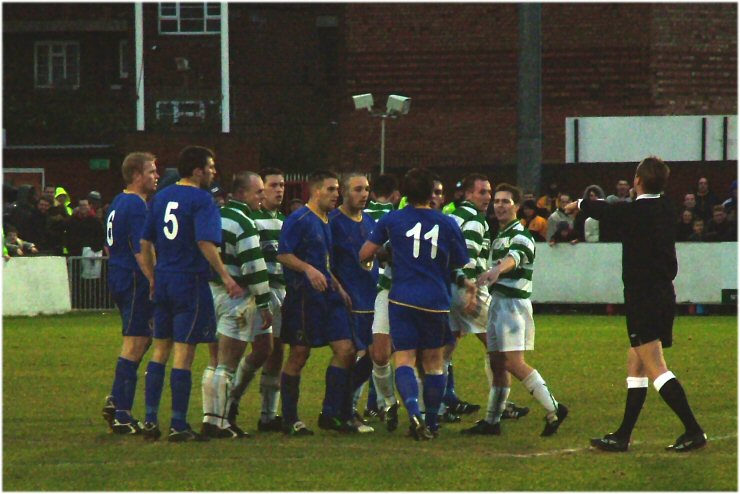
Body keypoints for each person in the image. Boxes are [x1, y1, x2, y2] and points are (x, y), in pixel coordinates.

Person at [564, 156, 706, 452]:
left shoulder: (637, 211)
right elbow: (617, 209)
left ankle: (693, 430)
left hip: (644, 298)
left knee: (655, 367)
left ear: (638, 181)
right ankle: (622, 436)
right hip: (662, 295)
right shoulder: (666, 207)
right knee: (636, 364)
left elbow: (607, 210)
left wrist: (578, 204)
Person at [140, 145, 244, 442]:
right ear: (197, 171)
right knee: (184, 354)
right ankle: (177, 424)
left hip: (164, 280)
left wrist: (152, 276)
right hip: (190, 281)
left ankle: (149, 418)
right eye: (210, 167)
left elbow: (145, 242)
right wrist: (226, 277)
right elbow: (205, 243)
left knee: (160, 350)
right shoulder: (202, 199)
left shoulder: (161, 197)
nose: (213, 172)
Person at [360, 168, 473, 440]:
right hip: (435, 300)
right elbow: (461, 262)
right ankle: (432, 421)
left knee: (405, 359)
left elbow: (365, 253)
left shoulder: (392, 219)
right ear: (431, 194)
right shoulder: (447, 223)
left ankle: (412, 409)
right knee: (434, 363)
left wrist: (385, 254)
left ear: (405, 193)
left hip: (401, 298)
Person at [463, 183, 567, 437]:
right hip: (499, 303)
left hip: (512, 307)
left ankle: (554, 408)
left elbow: (516, 257)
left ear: (517, 206)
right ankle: (492, 421)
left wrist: (498, 269)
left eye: (505, 202)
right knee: (498, 362)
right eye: (496, 201)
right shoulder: (499, 235)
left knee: (512, 362)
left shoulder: (521, 234)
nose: (499, 205)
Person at [277, 170, 358, 436]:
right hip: (303, 297)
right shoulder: (298, 219)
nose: (337, 194)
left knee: (346, 350)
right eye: (331, 189)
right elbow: (284, 255)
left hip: (328, 295)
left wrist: (337, 284)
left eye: (337, 190)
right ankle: (290, 418)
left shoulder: (325, 220)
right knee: (299, 355)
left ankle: (330, 413)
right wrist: (308, 270)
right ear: (315, 191)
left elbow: (323, 262)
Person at [446, 173, 530, 423]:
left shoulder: (452, 216)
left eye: (489, 192)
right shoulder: (474, 219)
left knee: (446, 347)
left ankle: (438, 403)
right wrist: (470, 288)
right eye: (482, 192)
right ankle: (502, 404)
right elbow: (469, 258)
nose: (488, 198)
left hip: (448, 287)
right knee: (499, 347)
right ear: (469, 194)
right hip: (468, 288)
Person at [201, 171, 271, 439]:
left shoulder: (215, 215)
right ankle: (219, 422)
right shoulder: (243, 221)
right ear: (241, 193)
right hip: (236, 297)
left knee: (214, 361)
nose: (261, 198)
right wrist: (264, 302)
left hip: (211, 292)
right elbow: (253, 266)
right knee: (227, 364)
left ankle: (210, 417)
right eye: (258, 192)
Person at [101, 152, 159, 434]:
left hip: (118, 275)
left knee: (141, 338)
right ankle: (122, 412)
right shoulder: (136, 205)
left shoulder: (117, 201)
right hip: (135, 279)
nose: (156, 176)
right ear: (137, 175)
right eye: (151, 171)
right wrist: (154, 280)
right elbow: (141, 250)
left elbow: (111, 247)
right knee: (136, 342)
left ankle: (116, 398)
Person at [226, 167, 288, 433]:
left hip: (281, 291)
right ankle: (231, 400)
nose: (278, 190)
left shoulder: (285, 220)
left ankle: (268, 414)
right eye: (272, 185)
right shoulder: (252, 219)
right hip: (260, 292)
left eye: (281, 185)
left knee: (276, 351)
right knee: (262, 349)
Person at [330, 172, 379, 432]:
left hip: (371, 298)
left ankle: (341, 407)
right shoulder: (334, 222)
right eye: (358, 189)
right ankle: (340, 412)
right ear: (344, 193)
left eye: (367, 189)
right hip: (347, 300)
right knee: (348, 355)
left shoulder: (370, 221)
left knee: (376, 355)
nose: (364, 194)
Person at [364, 175, 403, 426]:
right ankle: (384, 403)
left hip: (362, 286)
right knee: (392, 349)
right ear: (394, 194)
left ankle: (375, 404)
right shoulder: (397, 216)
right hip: (391, 287)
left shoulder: (360, 213)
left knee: (368, 348)